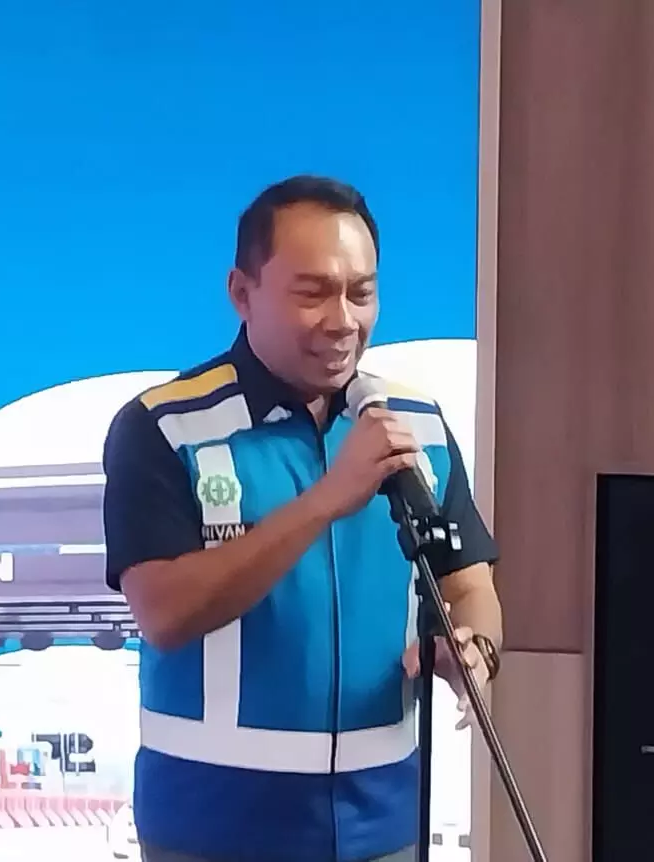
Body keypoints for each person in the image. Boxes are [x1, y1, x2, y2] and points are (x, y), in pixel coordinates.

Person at [101, 175, 504, 862]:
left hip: (384, 823)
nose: (343, 320)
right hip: (212, 828)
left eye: (362, 293)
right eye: (313, 292)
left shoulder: (414, 424)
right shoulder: (164, 427)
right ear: (242, 292)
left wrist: (473, 650)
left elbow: (469, 583)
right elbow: (163, 612)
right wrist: (325, 499)